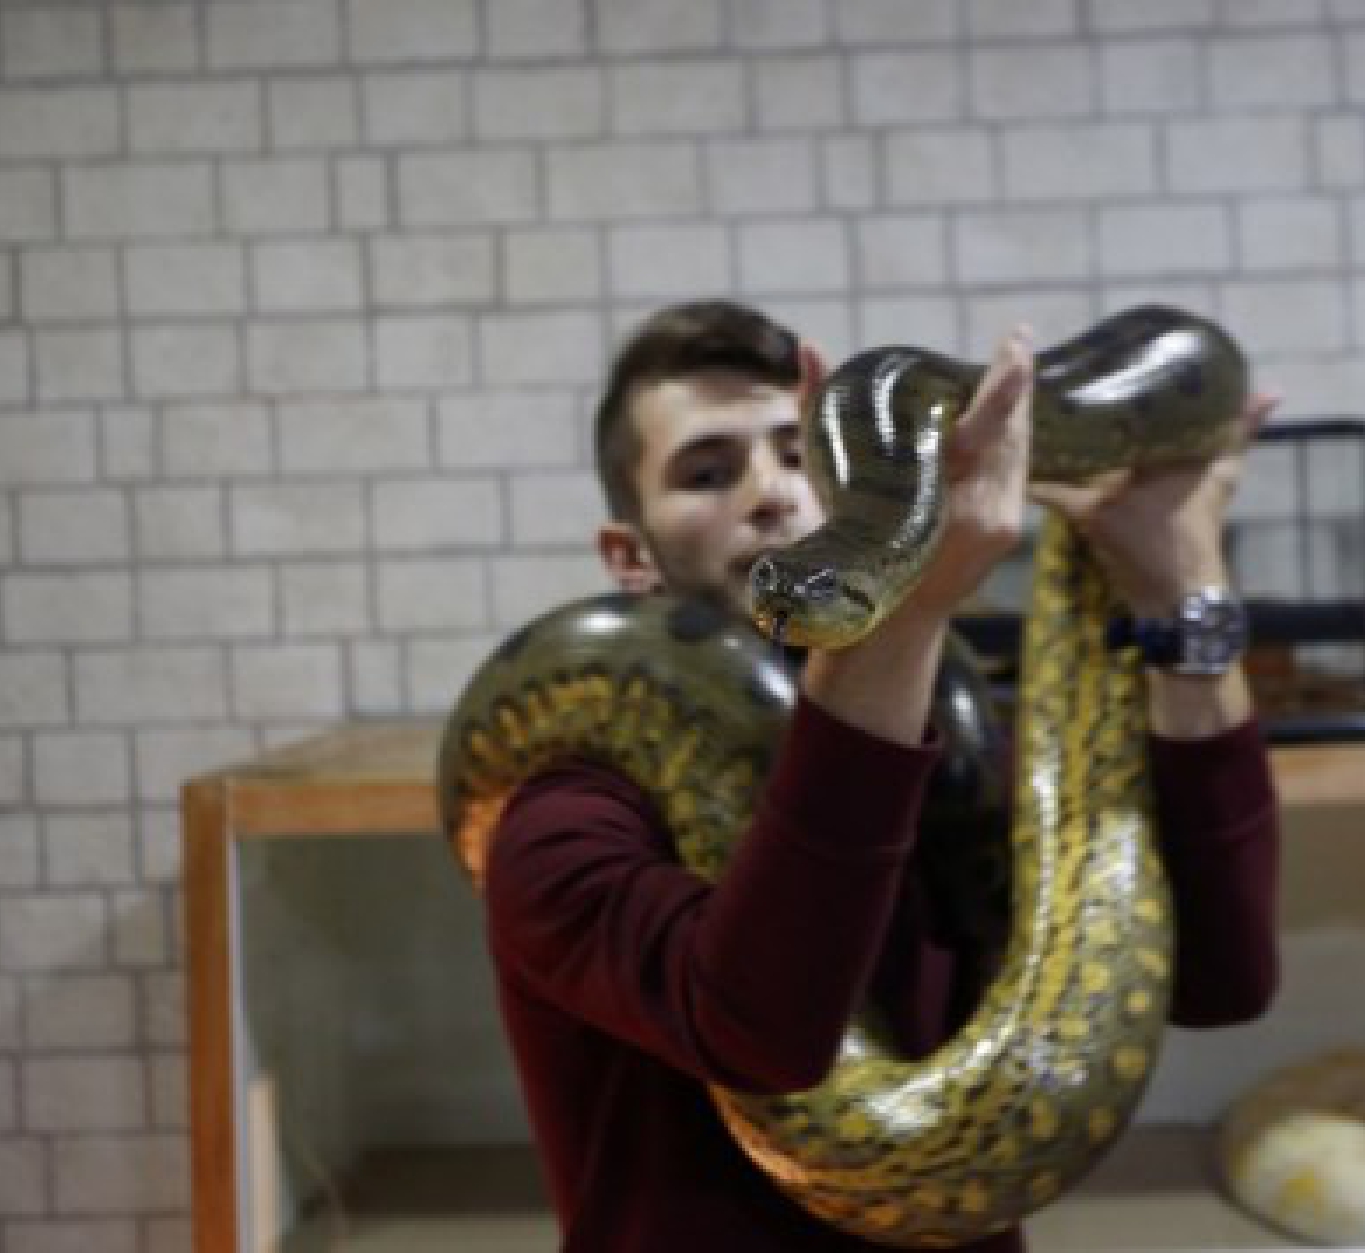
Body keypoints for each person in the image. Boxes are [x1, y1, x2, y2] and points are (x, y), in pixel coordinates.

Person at [482, 300, 1282, 1252]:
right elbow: (764, 1034)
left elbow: (1221, 980)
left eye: (793, 451)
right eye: (707, 472)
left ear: (851, 474)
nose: (771, 494)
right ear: (630, 559)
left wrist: (1177, 570)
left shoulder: (965, 750)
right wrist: (905, 613)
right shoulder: (561, 824)